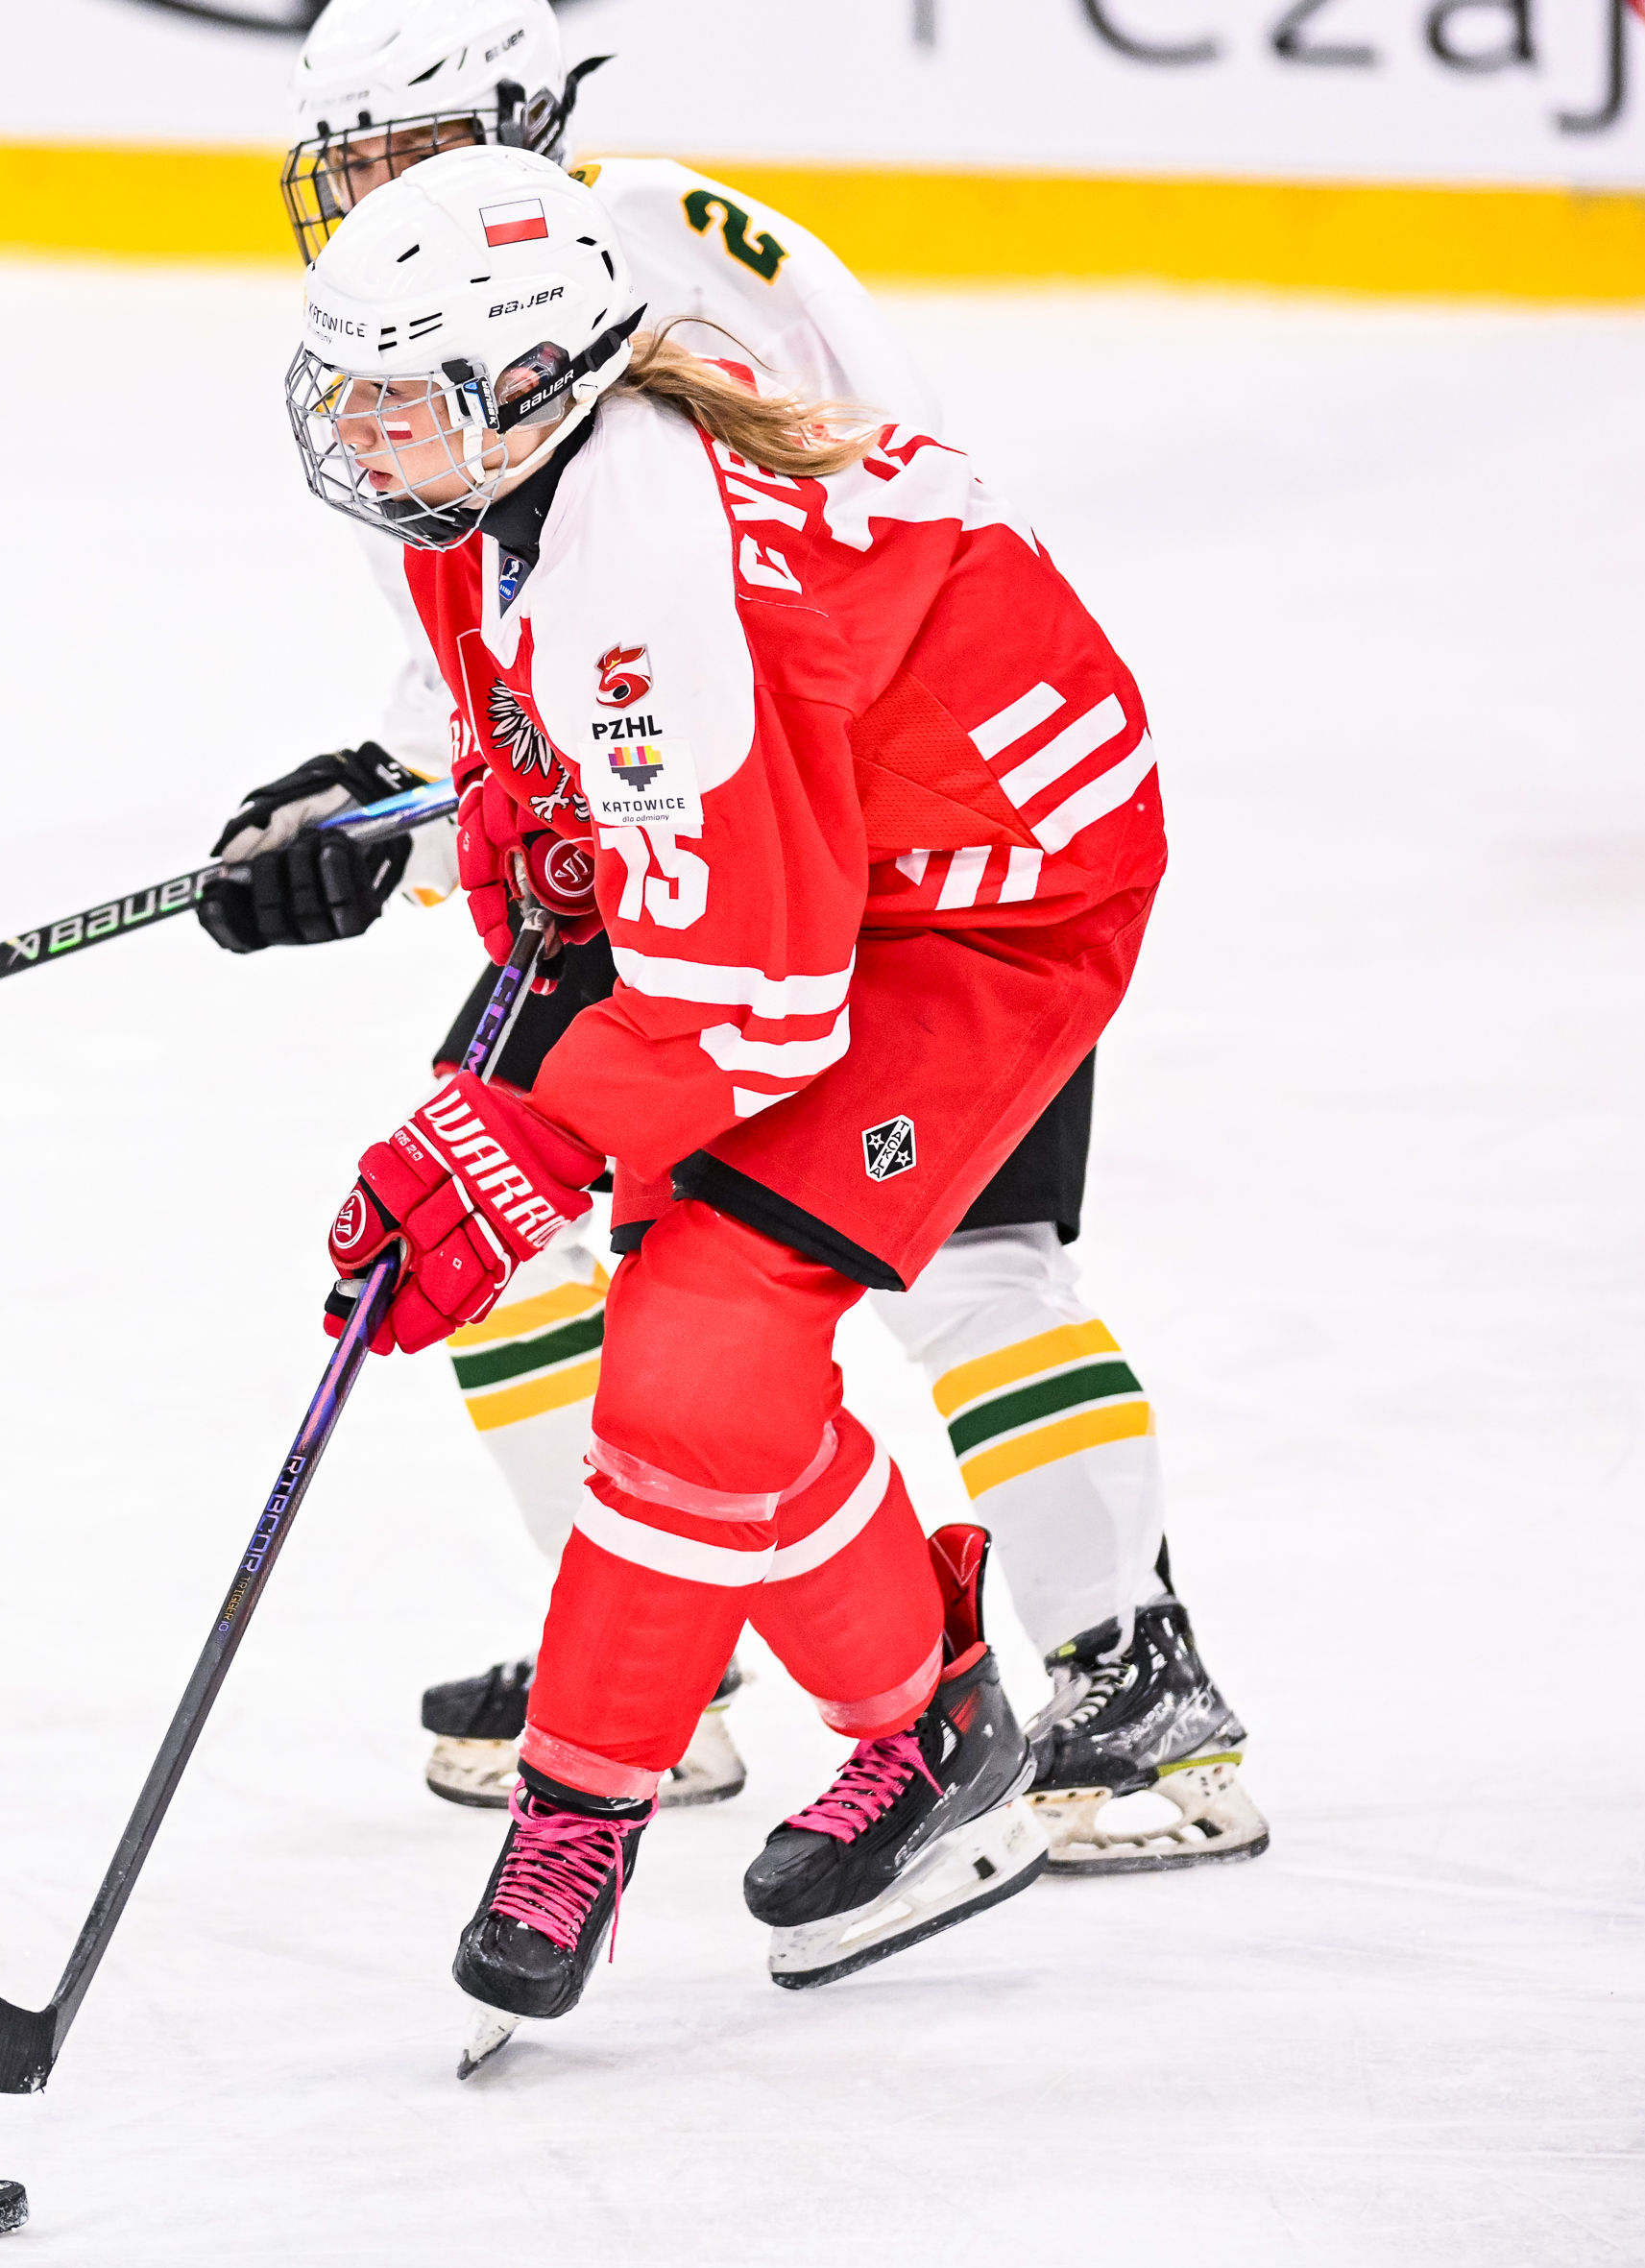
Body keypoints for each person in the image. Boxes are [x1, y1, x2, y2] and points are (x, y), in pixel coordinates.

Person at [202, 0, 1262, 1878]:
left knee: (962, 1254)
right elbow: (500, 656)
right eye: (345, 160)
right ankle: (648, 1654)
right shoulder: (395, 322)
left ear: (524, 116)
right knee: (506, 1251)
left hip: (884, 827)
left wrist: (511, 820)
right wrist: (376, 810)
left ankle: (1130, 1669)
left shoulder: (673, 252)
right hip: (654, 843)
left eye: (410, 145)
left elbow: (820, 563)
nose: (368, 194)